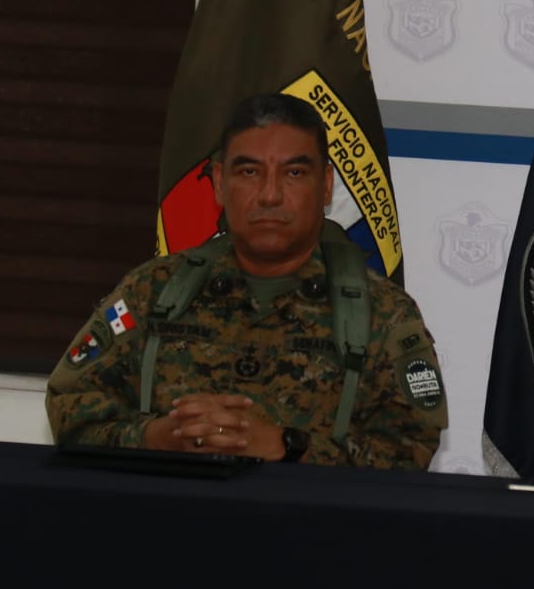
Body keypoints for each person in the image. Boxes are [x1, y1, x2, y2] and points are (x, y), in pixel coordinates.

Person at [46, 93, 447, 470]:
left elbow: (409, 450)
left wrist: (289, 447)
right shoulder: (153, 291)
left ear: (325, 185)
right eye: (249, 172)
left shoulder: (382, 313)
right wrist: (154, 438)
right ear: (220, 182)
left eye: (294, 172)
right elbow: (70, 405)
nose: (270, 195)